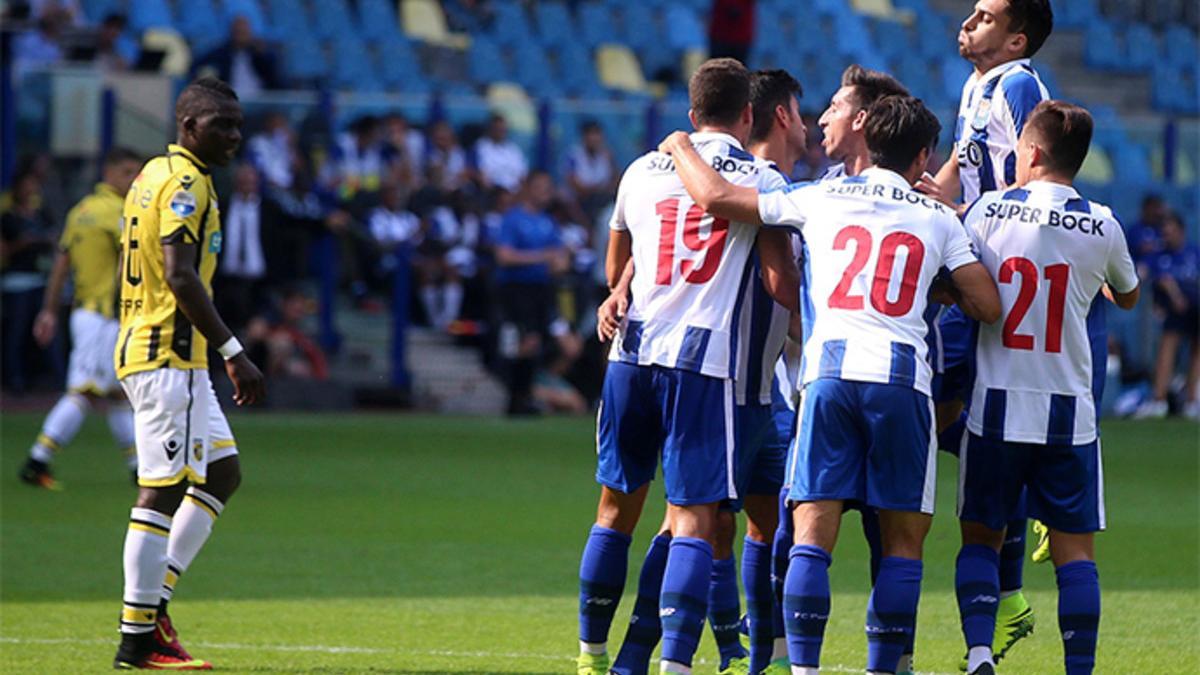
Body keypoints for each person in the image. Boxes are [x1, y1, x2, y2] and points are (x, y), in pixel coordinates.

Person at [658, 93, 1002, 675]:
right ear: (923, 157)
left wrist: (680, 145)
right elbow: (987, 304)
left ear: (869, 141)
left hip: (827, 377)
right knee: (901, 543)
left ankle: (804, 669)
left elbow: (716, 197)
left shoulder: (817, 195)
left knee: (812, 535)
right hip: (901, 381)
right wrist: (929, 286)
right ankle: (883, 667)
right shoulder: (937, 217)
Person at [575, 58, 791, 675]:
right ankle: (674, 665)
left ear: (692, 114)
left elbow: (618, 269)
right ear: (748, 115)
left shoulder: (640, 169)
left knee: (614, 507)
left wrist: (623, 292)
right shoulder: (762, 179)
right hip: (702, 360)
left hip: (630, 353)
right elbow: (778, 280)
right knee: (696, 520)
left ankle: (591, 655)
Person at [954, 100, 1139, 675]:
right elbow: (1128, 294)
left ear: (1030, 152)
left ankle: (981, 653)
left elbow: (961, 272)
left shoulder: (986, 212)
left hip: (996, 407)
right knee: (1075, 554)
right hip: (1070, 414)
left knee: (982, 538)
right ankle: (1078, 669)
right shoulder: (1103, 223)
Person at [111, 76, 265, 670]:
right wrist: (234, 350)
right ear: (188, 126)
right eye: (222, 125)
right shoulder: (184, 184)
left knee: (222, 473)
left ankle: (157, 603)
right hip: (165, 353)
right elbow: (179, 275)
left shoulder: (151, 172)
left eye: (238, 125)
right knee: (162, 490)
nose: (234, 136)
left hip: (180, 357)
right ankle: (137, 638)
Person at [919, 2, 1055, 658]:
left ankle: (1040, 492)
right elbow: (959, 167)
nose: (970, 20)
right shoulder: (979, 87)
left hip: (998, 274)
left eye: (985, 14)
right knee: (962, 430)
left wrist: (972, 214)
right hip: (970, 261)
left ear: (1017, 37)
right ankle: (1009, 591)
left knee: (946, 415)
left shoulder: (1023, 83)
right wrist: (921, 197)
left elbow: (1037, 174)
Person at [18, 147, 142, 490]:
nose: (135, 179)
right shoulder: (121, 213)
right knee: (84, 392)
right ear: (110, 173)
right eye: (129, 172)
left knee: (117, 393)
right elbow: (127, 266)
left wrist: (48, 310)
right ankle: (37, 459)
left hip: (84, 312)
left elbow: (62, 263)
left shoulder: (81, 211)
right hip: (106, 315)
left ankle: (138, 469)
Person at [494, 171, 568, 415]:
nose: (544, 193)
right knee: (526, 341)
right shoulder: (513, 219)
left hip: (542, 289)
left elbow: (560, 258)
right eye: (539, 187)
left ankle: (524, 396)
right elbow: (503, 256)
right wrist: (541, 257)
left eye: (548, 188)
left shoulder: (548, 221)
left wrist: (559, 262)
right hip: (516, 289)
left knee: (540, 343)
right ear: (527, 188)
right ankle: (516, 398)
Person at [1134, 211, 1199, 419]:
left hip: (1196, 306)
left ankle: (1192, 401)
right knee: (1168, 347)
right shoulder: (1159, 255)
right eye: (1165, 232)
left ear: (1181, 231)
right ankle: (1159, 400)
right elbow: (1147, 276)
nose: (1167, 236)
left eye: (1171, 232)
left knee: (1197, 351)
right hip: (1173, 310)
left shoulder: (1194, 253)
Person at [191, 15, 280, 95]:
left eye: (243, 32)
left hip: (260, 101)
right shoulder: (220, 54)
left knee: (276, 112)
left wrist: (262, 53)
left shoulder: (261, 54)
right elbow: (197, 66)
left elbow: (275, 78)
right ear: (231, 32)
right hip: (229, 102)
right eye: (238, 32)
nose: (241, 35)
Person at [566, 120, 618, 224]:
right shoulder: (573, 155)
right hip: (578, 202)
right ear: (584, 137)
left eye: (597, 135)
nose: (594, 139)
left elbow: (615, 179)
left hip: (602, 200)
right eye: (591, 135)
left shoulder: (606, 155)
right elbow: (574, 184)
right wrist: (595, 190)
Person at [474, 113, 528, 192]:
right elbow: (480, 175)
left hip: (515, 191)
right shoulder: (480, 146)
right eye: (497, 129)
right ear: (490, 129)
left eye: (503, 129)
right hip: (493, 191)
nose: (500, 132)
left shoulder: (513, 149)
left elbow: (522, 175)